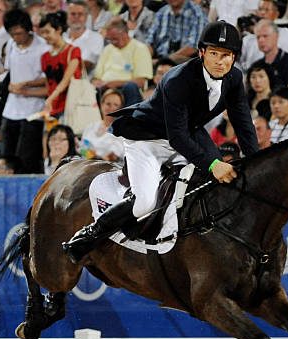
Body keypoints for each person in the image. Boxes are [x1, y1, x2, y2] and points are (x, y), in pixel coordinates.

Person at [62, 21, 259, 264]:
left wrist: (255, 161)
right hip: (148, 140)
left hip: (188, 134)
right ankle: (88, 235)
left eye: (226, 55)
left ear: (234, 57)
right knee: (145, 202)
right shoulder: (177, 79)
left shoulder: (235, 78)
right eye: (214, 54)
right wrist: (212, 164)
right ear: (201, 53)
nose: (220, 61)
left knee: (217, 185)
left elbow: (243, 124)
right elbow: (176, 137)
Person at [1, 8, 50, 174]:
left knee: (27, 156)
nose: (16, 38)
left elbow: (48, 79)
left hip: (34, 109)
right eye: (12, 34)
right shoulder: (10, 45)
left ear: (28, 29)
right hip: (11, 109)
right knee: (7, 155)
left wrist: (25, 86)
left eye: (19, 33)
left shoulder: (43, 48)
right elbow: (9, 70)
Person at [93, 17, 152, 107]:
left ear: (125, 33)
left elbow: (140, 82)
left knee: (130, 87)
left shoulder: (140, 48)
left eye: (115, 39)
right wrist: (98, 83)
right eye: (109, 39)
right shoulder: (108, 49)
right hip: (105, 89)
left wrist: (114, 83)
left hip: (127, 90)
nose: (112, 42)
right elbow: (97, 77)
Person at [38, 11, 82, 121]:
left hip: (71, 104)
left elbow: (66, 80)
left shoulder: (73, 51)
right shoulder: (44, 57)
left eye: (47, 32)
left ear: (58, 29)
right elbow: (48, 83)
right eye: (42, 33)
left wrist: (51, 98)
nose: (45, 36)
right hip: (52, 106)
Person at [252, 19, 288, 87]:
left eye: (265, 36)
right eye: (258, 37)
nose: (261, 40)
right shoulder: (256, 66)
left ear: (276, 36)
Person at [80, 89, 124, 161]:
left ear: (120, 109)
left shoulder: (121, 132)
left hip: (108, 169)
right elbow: (82, 149)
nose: (111, 108)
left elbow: (112, 157)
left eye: (116, 105)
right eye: (108, 104)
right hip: (85, 165)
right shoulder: (90, 127)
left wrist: (94, 156)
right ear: (101, 105)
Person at [64, 1, 104, 74]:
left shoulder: (96, 38)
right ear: (67, 16)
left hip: (84, 82)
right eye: (73, 14)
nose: (76, 17)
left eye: (80, 14)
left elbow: (89, 64)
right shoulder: (61, 37)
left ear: (86, 17)